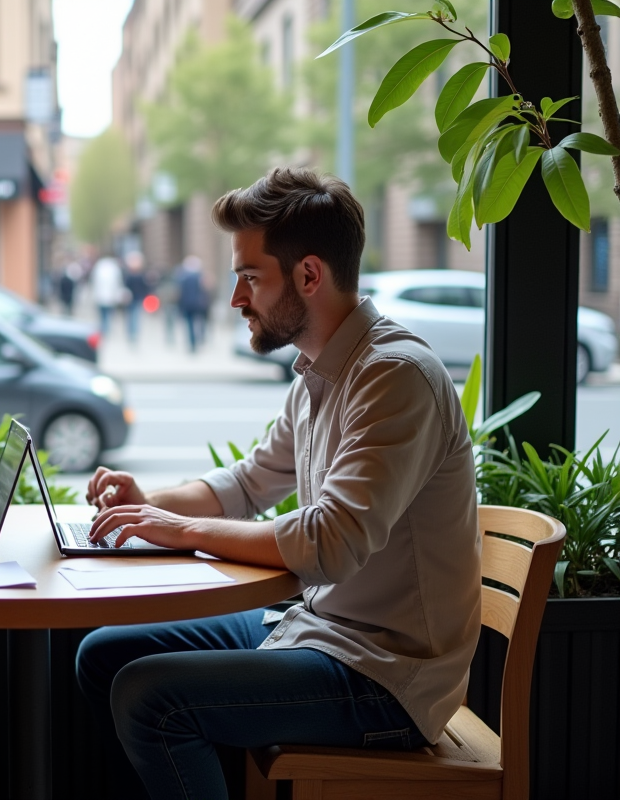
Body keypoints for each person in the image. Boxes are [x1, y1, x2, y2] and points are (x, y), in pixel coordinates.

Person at [75, 167, 480, 800]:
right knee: (101, 653)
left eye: (250, 278)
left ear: (309, 276)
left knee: (150, 697)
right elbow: (245, 484)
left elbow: (330, 545)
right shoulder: (318, 375)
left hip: (386, 679)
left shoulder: (394, 377)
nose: (236, 298)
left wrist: (177, 530)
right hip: (314, 630)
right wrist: (145, 505)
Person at [175, 254, 210, 352]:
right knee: (199, 323)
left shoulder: (182, 277)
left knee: (190, 324)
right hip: (198, 304)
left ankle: (192, 343)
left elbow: (179, 293)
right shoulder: (200, 277)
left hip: (187, 304)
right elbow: (205, 291)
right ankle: (199, 339)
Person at [90, 253, 125, 335]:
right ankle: (106, 328)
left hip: (103, 297)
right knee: (107, 314)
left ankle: (104, 328)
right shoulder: (113, 269)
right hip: (108, 297)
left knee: (103, 315)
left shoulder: (99, 267)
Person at [122, 251, 150, 344]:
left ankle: (133, 333)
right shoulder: (132, 275)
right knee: (133, 316)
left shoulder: (137, 275)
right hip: (133, 299)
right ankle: (132, 332)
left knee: (134, 316)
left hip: (136, 298)